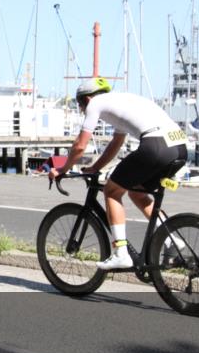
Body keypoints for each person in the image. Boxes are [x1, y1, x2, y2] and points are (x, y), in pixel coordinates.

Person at [48, 77, 187, 270]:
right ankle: (172, 238)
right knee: (137, 192)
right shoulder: (121, 101)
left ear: (86, 99)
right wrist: (96, 167)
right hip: (179, 148)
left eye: (80, 104)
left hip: (156, 145)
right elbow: (116, 143)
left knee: (112, 191)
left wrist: (62, 169)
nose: (82, 109)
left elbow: (80, 145)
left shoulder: (95, 104)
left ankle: (121, 253)